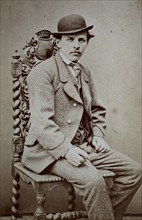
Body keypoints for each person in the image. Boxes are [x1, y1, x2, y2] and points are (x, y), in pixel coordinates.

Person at [22, 14, 142, 220]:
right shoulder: (42, 72)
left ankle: (102, 215)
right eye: (70, 39)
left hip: (83, 145)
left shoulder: (84, 72)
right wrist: (67, 150)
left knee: (134, 171)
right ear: (58, 42)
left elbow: (97, 109)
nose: (76, 45)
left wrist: (98, 134)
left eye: (81, 40)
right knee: (93, 181)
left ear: (86, 42)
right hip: (49, 151)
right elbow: (42, 123)